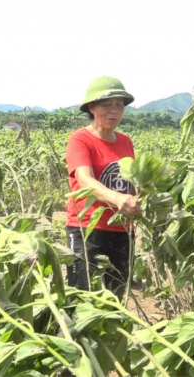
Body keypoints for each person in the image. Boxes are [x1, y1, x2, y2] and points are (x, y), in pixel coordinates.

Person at [65, 76, 141, 298]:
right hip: (88, 228)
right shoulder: (80, 139)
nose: (114, 111)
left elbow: (131, 182)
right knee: (83, 298)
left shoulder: (125, 141)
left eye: (119, 105)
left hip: (122, 230)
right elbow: (84, 180)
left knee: (115, 297)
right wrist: (118, 199)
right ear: (91, 107)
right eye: (106, 105)